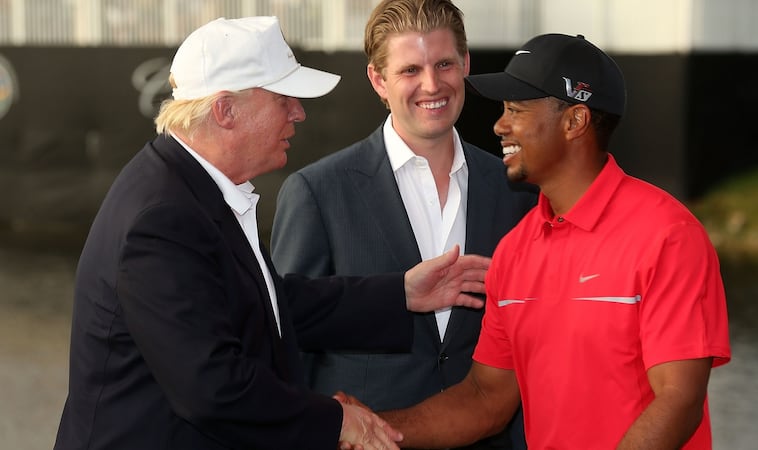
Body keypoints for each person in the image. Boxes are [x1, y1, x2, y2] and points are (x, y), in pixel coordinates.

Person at [53, 16, 493, 450]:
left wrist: (401, 294)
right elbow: (213, 388)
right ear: (225, 110)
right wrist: (338, 421)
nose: (298, 113)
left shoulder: (189, 187)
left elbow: (267, 306)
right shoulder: (164, 217)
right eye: (284, 99)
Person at [338, 33, 732, 449]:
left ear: (574, 121)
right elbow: (484, 400)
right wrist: (367, 426)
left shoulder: (667, 235)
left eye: (516, 110)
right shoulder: (514, 251)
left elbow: (678, 399)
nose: (498, 125)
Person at [271, 1, 536, 448]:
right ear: (379, 80)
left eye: (445, 64)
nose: (432, 84)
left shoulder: (517, 191)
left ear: (466, 63)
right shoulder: (317, 191)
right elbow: (285, 336)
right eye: (410, 69)